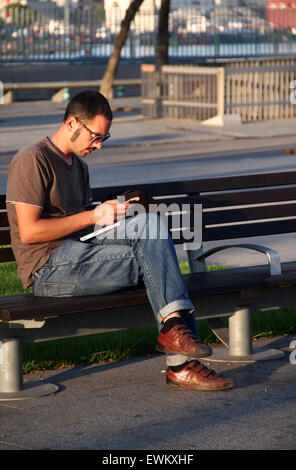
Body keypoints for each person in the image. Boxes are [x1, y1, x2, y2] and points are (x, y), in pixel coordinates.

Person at [6, 90, 234, 391]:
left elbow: (84, 226)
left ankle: (173, 331)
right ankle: (181, 363)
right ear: (73, 122)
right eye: (95, 136)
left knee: (150, 225)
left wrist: (116, 214)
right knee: (159, 264)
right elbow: (30, 232)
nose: (99, 145)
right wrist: (92, 217)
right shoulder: (32, 159)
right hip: (47, 269)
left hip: (80, 251)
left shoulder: (79, 167)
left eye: (105, 137)